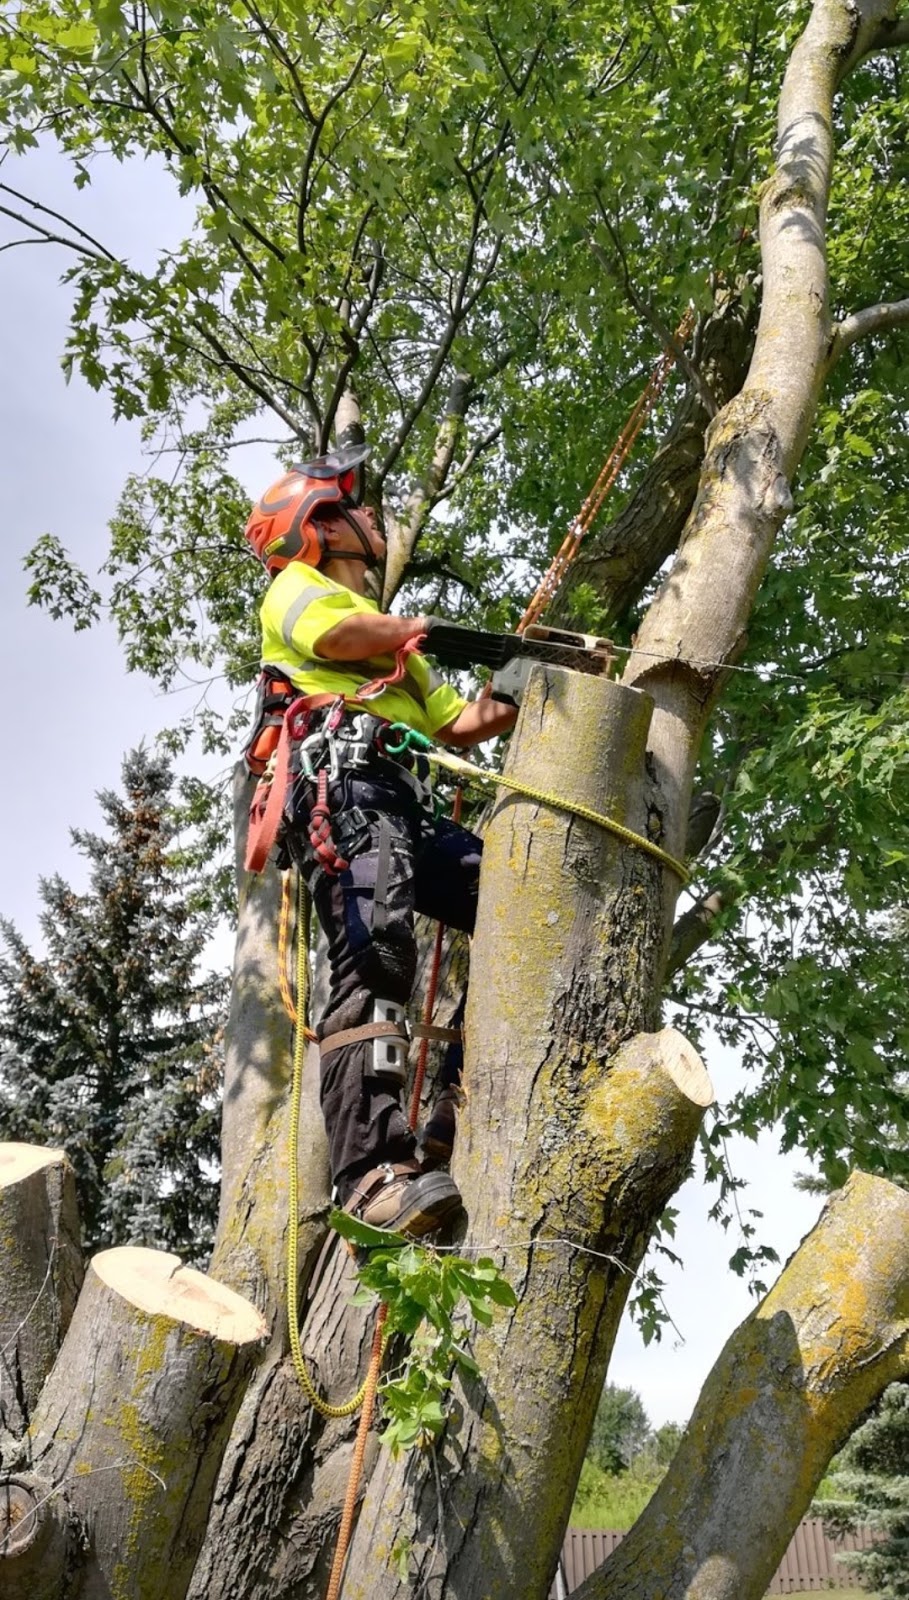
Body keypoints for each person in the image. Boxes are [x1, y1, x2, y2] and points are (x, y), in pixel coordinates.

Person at [244, 445, 518, 1236]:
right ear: (316, 527)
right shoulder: (300, 593)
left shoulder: (394, 650)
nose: (369, 520)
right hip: (344, 787)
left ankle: (447, 1118)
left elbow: (456, 725)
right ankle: (367, 1175)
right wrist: (425, 630)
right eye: (352, 509)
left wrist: (523, 681)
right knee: (377, 954)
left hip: (400, 799)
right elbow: (336, 641)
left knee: (507, 898)